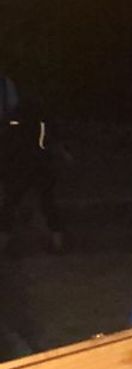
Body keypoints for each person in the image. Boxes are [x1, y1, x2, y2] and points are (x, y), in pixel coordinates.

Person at [0, 77, 68, 255]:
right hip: (41, 164)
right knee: (47, 203)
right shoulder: (44, 119)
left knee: (10, 203)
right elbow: (53, 141)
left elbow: (9, 144)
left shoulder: (15, 120)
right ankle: (57, 240)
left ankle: (3, 242)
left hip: (22, 165)